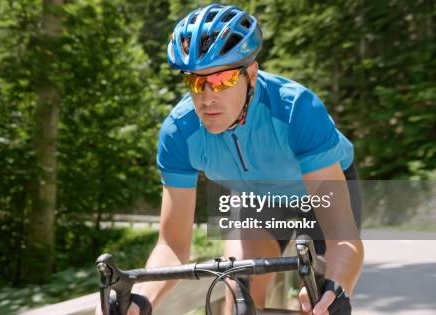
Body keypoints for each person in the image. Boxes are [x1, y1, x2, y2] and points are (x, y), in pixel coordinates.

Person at [97, 3, 363, 315]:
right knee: (237, 289)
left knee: (317, 298)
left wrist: (336, 286)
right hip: (256, 200)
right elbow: (171, 246)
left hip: (319, 196)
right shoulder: (179, 133)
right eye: (195, 82)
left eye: (221, 80)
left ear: (251, 73)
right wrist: (140, 299)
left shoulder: (297, 111)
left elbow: (342, 237)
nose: (207, 97)